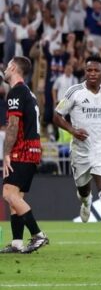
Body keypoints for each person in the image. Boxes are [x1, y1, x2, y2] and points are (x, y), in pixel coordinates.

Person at [53, 55, 101, 252]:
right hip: (80, 150)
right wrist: (72, 130)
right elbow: (57, 116)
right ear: (85, 72)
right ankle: (85, 203)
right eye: (89, 70)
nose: (92, 74)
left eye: (96, 70)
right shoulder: (74, 92)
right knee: (84, 191)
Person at [0, 57, 48, 254]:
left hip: (23, 149)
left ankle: (38, 235)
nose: (4, 70)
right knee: (16, 197)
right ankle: (17, 242)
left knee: (8, 194)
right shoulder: (28, 92)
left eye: (7, 66)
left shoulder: (16, 92)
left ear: (13, 68)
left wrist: (6, 154)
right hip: (33, 149)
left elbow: (13, 126)